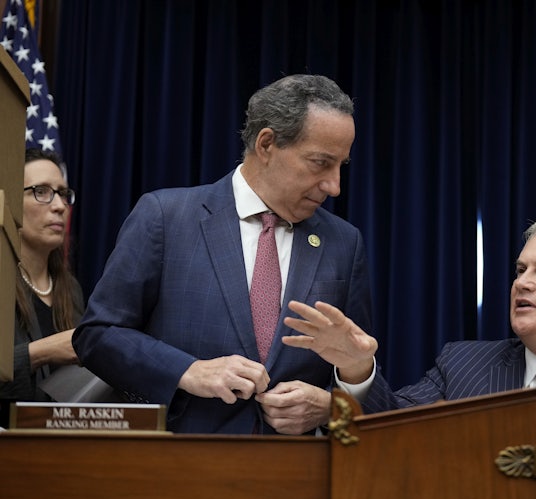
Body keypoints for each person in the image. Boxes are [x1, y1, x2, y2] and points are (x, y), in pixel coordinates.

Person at [73, 74, 373, 435]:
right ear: (266, 144)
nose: (335, 186)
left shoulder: (344, 243)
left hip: (296, 476)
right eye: (320, 162)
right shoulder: (166, 217)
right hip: (180, 466)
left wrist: (332, 406)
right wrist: (187, 371)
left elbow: (357, 372)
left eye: (342, 165)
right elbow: (97, 335)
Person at [281, 216, 536, 414]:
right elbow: (393, 423)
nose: (522, 283)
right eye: (520, 271)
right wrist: (357, 367)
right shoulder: (463, 365)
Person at [0, 149, 81, 425]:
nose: (59, 205)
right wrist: (42, 351)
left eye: (62, 193)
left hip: (61, 449)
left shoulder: (70, 288)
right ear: (9, 201)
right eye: (41, 191)